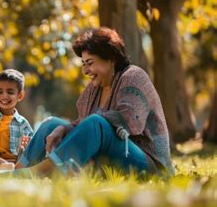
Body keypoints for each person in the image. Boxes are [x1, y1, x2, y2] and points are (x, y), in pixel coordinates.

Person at [15, 27, 173, 177]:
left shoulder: (133, 76)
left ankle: (39, 173)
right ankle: (16, 172)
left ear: (111, 59)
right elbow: (83, 125)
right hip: (107, 160)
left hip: (148, 164)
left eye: (90, 63)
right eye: (83, 64)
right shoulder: (93, 89)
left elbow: (131, 121)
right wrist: (64, 128)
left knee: (97, 121)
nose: (85, 71)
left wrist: (90, 123)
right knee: (52, 124)